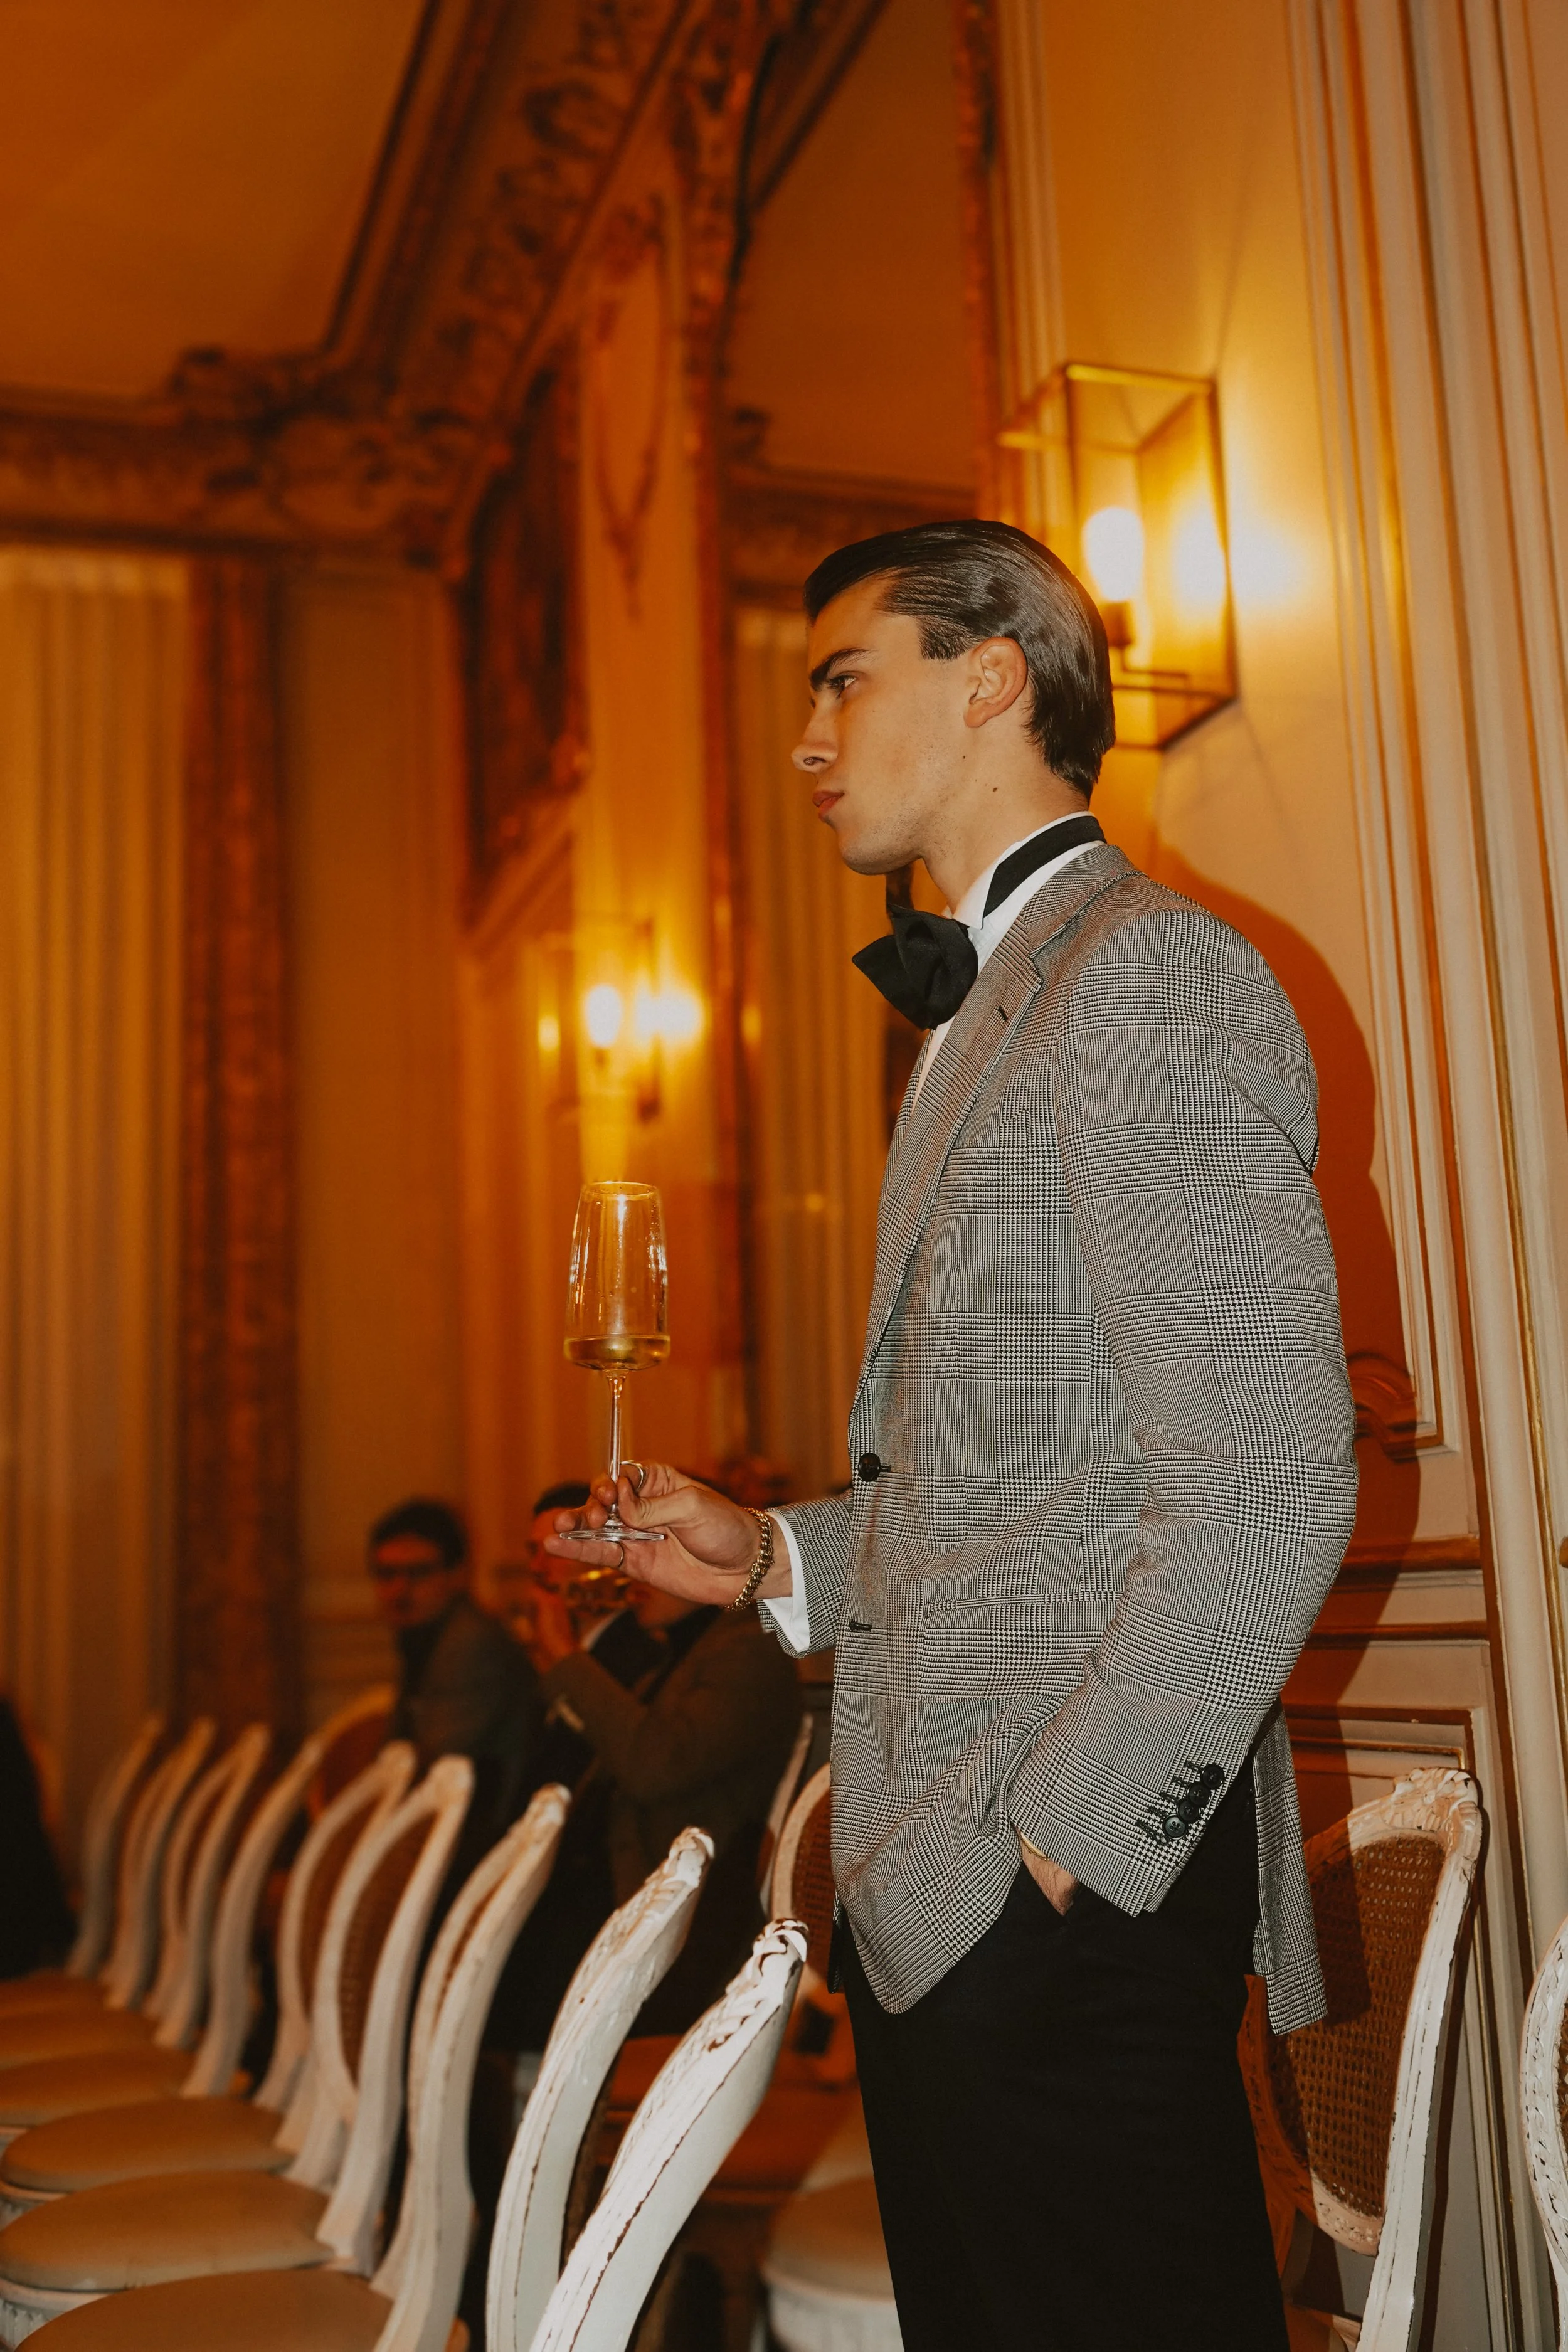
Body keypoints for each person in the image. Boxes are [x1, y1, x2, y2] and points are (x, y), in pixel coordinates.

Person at [550, 519, 1359, 2351]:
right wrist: (765, 1553)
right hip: (952, 1902)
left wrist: (1050, 1864)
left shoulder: (1139, 974)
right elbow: (1013, 1475)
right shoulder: (1000, 998)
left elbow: (1265, 1477)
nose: (807, 735)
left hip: (1049, 1908)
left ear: (990, 671)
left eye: (841, 675)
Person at [368, 1496, 543, 1867]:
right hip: (460, 1834)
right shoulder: (426, 1634)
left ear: (458, 1575)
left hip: (484, 1846)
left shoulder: (470, 1644)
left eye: (418, 1574)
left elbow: (428, 1766)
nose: (399, 1591)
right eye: (386, 1575)